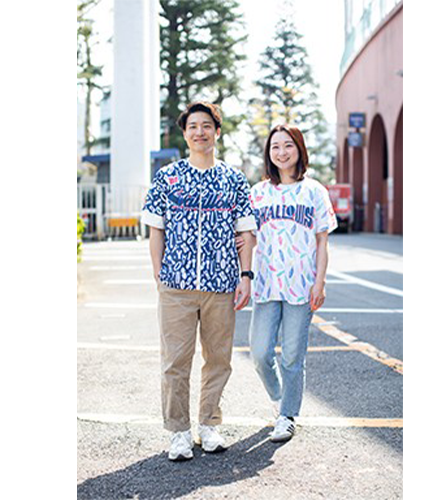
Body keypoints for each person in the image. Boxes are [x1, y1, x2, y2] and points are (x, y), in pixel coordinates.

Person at [141, 101, 257, 461]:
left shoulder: (234, 179)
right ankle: (178, 432)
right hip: (176, 286)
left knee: (218, 359)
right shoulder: (167, 177)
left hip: (220, 285)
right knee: (175, 361)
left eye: (206, 125)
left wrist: (245, 276)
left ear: (217, 132)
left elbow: (246, 232)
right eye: (192, 126)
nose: (199, 132)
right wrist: (160, 274)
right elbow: (156, 229)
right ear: (185, 133)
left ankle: (209, 425)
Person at [242, 124, 337, 443]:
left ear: (299, 149)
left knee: (293, 356)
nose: (281, 152)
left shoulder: (315, 192)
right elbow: (248, 237)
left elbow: (322, 241)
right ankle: (280, 398)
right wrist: (243, 273)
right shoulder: (258, 193)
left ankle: (287, 415)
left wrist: (320, 282)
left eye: (288, 145)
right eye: (275, 147)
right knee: (259, 353)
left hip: (301, 285)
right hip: (267, 285)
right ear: (268, 153)